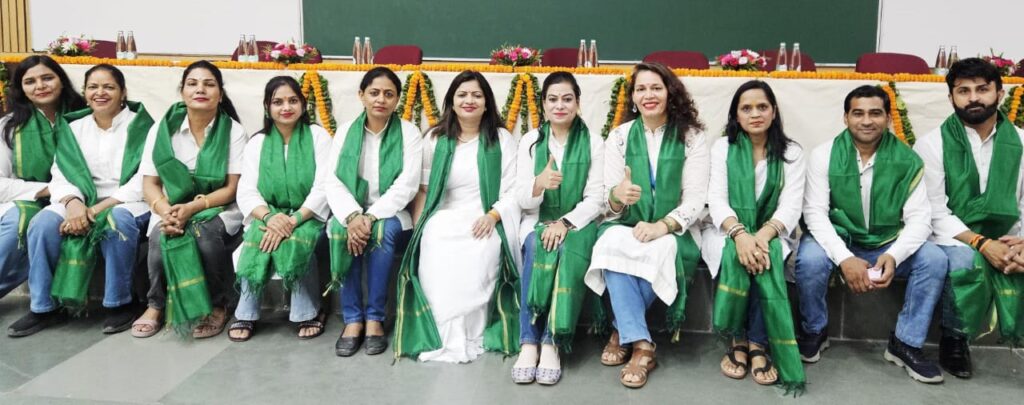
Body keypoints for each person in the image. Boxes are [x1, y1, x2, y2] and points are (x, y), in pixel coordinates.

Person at [795, 85, 947, 384]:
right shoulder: (824, 155)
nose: (866, 121)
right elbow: (814, 214)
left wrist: (894, 255)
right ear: (845, 118)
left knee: (934, 259)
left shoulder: (907, 160)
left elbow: (920, 219)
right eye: (858, 113)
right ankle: (815, 330)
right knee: (809, 259)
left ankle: (905, 343)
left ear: (888, 118)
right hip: (839, 238)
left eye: (875, 113)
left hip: (888, 242)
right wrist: (845, 258)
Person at [583, 62, 710, 388]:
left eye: (656, 88)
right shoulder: (620, 137)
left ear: (670, 92)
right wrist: (618, 196)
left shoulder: (692, 137)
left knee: (662, 248)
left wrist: (662, 226)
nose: (648, 95)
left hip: (674, 228)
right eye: (641, 89)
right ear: (633, 97)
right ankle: (642, 344)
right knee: (610, 243)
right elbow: (609, 201)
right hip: (628, 223)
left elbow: (696, 199)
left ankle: (622, 330)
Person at [7, 64, 153, 337]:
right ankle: (43, 307)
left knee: (117, 222)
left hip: (127, 201)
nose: (100, 93)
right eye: (93, 87)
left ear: (123, 92)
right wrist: (74, 204)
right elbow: (61, 173)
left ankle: (120, 303)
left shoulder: (143, 127)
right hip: (80, 199)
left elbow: (144, 179)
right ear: (84, 93)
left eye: (109, 87)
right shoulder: (74, 128)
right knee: (42, 223)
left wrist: (94, 209)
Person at [392, 70, 520, 363]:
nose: (469, 100)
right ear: (451, 101)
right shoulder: (435, 138)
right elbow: (424, 189)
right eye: (462, 95)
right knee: (434, 240)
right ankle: (440, 332)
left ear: (487, 103)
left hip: (486, 215)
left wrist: (493, 216)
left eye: (477, 95)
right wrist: (420, 226)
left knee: (482, 246)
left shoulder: (500, 138)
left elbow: (513, 189)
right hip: (444, 215)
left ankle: (473, 331)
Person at [913, 57, 1024, 379]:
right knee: (965, 260)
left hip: (1010, 234)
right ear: (951, 98)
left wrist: (1021, 243)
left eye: (982, 89)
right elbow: (934, 210)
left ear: (1000, 93)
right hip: (955, 235)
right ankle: (955, 338)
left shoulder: (1020, 141)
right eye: (963, 91)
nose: (973, 98)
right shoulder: (932, 144)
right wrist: (982, 243)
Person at [131, 60, 248, 339]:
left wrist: (193, 207)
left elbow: (231, 188)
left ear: (220, 94)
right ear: (182, 91)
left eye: (209, 84)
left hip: (218, 206)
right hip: (170, 206)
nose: (200, 90)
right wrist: (167, 212)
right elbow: (149, 184)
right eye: (192, 84)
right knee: (160, 237)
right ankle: (156, 305)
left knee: (203, 236)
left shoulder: (233, 131)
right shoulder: (162, 129)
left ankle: (218, 304)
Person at [702, 80, 806, 390]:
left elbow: (791, 205)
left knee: (768, 255)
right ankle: (738, 339)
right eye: (746, 108)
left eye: (762, 107)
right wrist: (740, 235)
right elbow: (716, 199)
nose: (755, 114)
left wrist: (761, 236)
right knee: (738, 254)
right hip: (726, 229)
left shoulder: (792, 152)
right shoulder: (723, 147)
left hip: (772, 231)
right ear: (736, 115)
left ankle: (758, 343)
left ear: (774, 111)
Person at [510, 72, 604, 385]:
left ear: (578, 103)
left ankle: (551, 342)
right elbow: (521, 197)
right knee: (537, 243)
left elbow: (596, 197)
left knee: (563, 246)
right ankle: (528, 341)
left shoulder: (593, 142)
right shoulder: (530, 141)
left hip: (578, 223)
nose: (559, 106)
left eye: (567, 99)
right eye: (552, 99)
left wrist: (565, 222)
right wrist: (538, 184)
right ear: (543, 104)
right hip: (537, 219)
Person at [324, 67, 422, 356]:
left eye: (389, 94)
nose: (381, 99)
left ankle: (375, 317)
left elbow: (408, 183)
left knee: (382, 233)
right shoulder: (345, 132)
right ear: (362, 95)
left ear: (397, 99)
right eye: (374, 92)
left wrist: (369, 216)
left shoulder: (409, 132)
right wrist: (353, 216)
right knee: (339, 230)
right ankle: (353, 319)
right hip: (351, 211)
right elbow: (333, 180)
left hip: (392, 212)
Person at [227, 76, 331, 342]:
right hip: (269, 214)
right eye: (278, 102)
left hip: (307, 214)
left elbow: (323, 187)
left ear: (303, 104)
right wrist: (270, 217)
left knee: (296, 240)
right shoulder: (257, 143)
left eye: (293, 100)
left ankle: (307, 310)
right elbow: (247, 190)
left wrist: (292, 220)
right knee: (258, 236)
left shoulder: (318, 137)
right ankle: (246, 312)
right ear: (267, 107)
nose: (286, 107)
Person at [0, 55, 85, 321]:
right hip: (31, 197)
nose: (40, 86)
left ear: (61, 80)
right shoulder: (9, 126)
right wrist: (52, 189)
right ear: (20, 88)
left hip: (82, 195)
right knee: (17, 223)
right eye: (30, 81)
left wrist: (66, 194)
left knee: (40, 223)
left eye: (47, 78)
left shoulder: (84, 118)